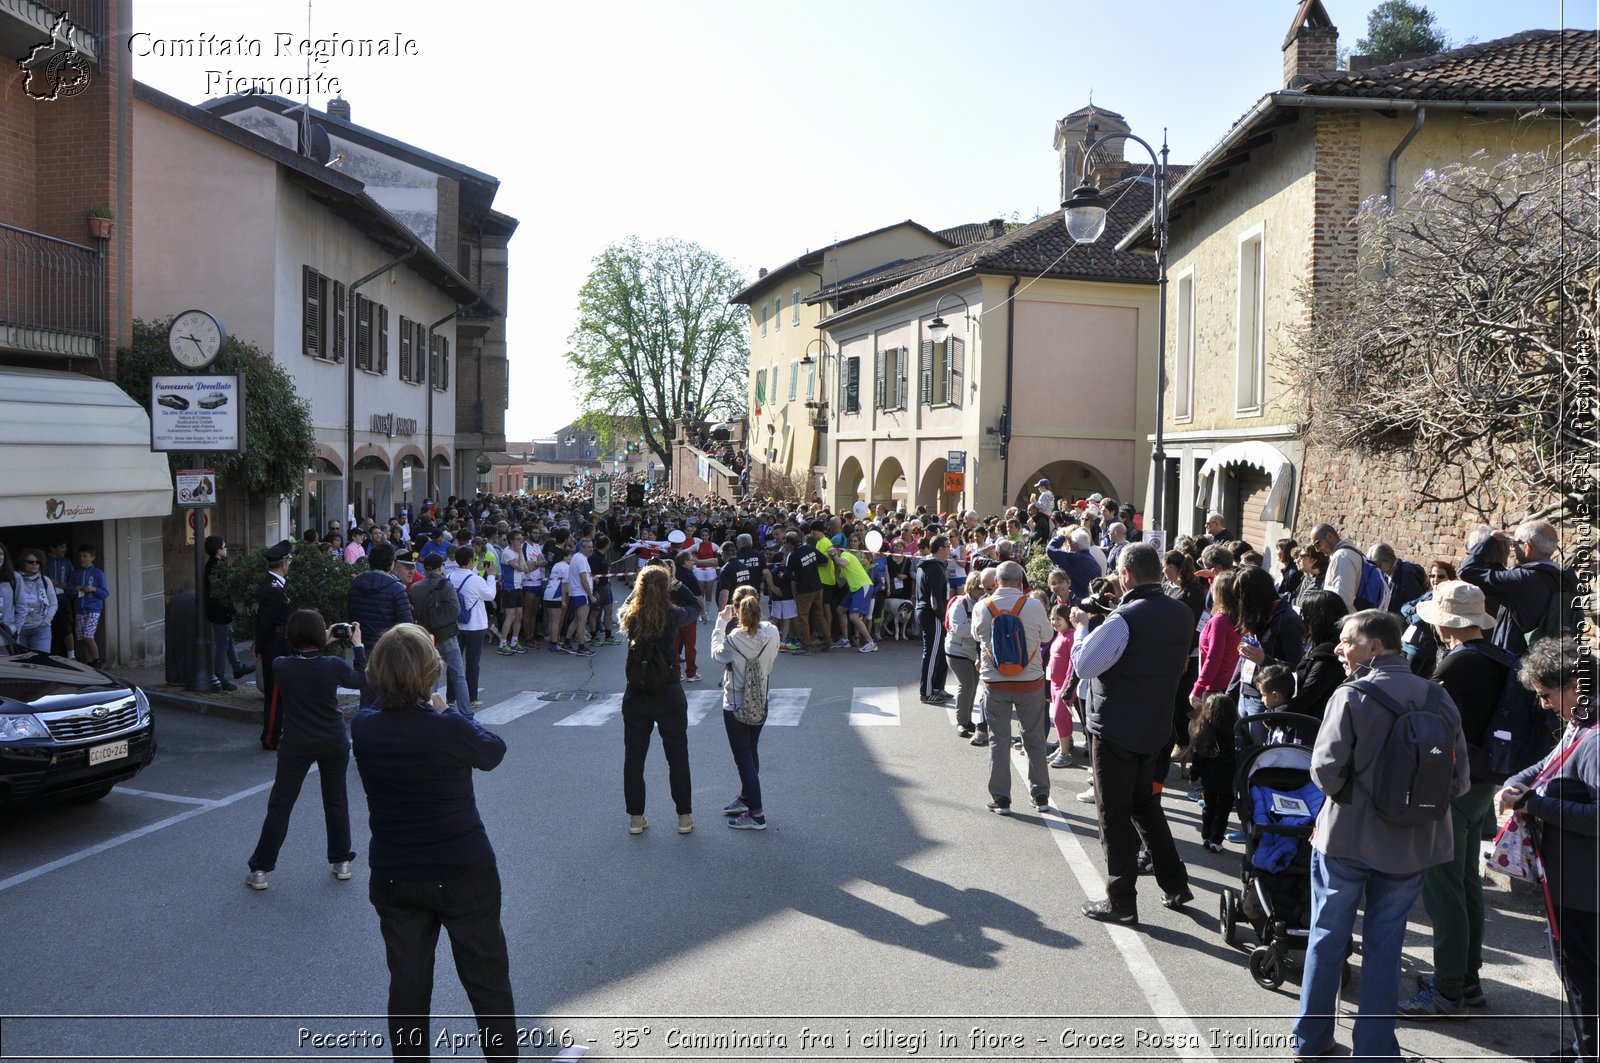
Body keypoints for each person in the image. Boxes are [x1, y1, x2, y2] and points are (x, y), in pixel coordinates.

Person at [1290, 609, 1470, 1063]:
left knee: (1327, 938)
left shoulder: (1350, 695)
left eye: (1347, 640)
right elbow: (1460, 780)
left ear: (1375, 647)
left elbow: (1324, 770)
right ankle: (1374, 1052)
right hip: (1413, 845)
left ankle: (1311, 1043)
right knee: (1386, 949)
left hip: (1349, 837)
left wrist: (1358, 800)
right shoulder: (1439, 698)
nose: (1339, 648)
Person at [350, 624, 516, 1062]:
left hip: (395, 872)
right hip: (463, 867)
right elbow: (493, 752)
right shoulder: (446, 728)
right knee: (487, 981)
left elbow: (374, 706)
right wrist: (449, 712)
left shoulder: (364, 728)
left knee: (407, 985)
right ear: (430, 675)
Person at [1071, 543, 1196, 923]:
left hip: (1117, 729)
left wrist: (1080, 628)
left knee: (1114, 814)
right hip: (1155, 726)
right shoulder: (1182, 612)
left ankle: (1121, 901)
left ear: (1125, 574)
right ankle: (1175, 883)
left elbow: (1085, 666)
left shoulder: (1124, 619)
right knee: (1145, 806)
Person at [1399, 581, 1506, 1019]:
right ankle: (1467, 979)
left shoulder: (1458, 662)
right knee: (1465, 883)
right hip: (1483, 781)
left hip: (1454, 782)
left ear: (1447, 623)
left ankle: (1447, 991)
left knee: (1444, 888)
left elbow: (1424, 720)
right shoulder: (1499, 656)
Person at [1497, 637, 1598, 1063]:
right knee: (1575, 974)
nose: (1543, 705)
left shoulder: (1595, 739)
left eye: (1545, 694)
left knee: (1583, 979)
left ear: (1574, 684)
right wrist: (1515, 782)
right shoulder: (1581, 722)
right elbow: (1547, 764)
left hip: (1585, 889)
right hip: (1570, 881)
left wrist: (1533, 804)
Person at [245, 611, 364, 890]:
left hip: (296, 742)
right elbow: (361, 680)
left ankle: (261, 868)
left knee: (281, 804)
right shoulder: (333, 665)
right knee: (335, 800)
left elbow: (299, 655)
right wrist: (357, 645)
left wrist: (320, 638)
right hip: (332, 739)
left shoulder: (281, 666)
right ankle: (341, 861)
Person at [620, 564, 701, 835]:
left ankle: (635, 818)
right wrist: (676, 583)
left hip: (637, 694)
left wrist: (638, 588)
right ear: (666, 588)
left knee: (634, 759)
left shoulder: (631, 618)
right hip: (668, 692)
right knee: (677, 757)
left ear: (639, 589)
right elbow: (696, 605)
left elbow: (625, 606)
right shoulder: (673, 616)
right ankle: (684, 817)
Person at [970, 560, 1053, 814]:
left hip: (995, 682)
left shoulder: (983, 606)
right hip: (1030, 681)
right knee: (1034, 738)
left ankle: (1001, 798)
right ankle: (1039, 796)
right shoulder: (1034, 605)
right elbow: (1047, 636)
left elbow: (976, 635)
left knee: (998, 739)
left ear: (996, 582)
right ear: (1021, 581)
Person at [710, 593, 780, 831]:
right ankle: (747, 799)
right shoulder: (772, 631)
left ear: (737, 612)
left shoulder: (734, 639)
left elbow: (716, 653)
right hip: (761, 700)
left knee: (743, 758)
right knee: (750, 752)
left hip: (736, 704)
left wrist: (721, 622)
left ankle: (757, 814)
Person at [1459, 519, 1576, 651]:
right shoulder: (1567, 577)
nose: (1512, 548)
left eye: (1515, 544)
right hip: (1550, 654)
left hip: (1517, 660)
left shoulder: (1521, 579)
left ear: (1527, 548)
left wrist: (1491, 538)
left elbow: (1467, 571)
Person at [346, 543, 414, 704]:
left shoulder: (356, 584)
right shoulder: (396, 588)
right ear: (391, 564)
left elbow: (350, 613)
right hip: (388, 648)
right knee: (387, 695)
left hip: (362, 644)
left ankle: (364, 727)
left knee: (367, 693)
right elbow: (407, 625)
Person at [407, 552, 473, 715]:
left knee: (430, 676)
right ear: (439, 567)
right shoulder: (446, 584)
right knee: (458, 675)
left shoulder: (415, 588)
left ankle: (431, 711)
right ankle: (467, 713)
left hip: (426, 635)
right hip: (447, 634)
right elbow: (456, 609)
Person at [254, 541, 295, 750]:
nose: (289, 564)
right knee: (275, 694)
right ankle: (270, 737)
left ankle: (275, 733)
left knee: (280, 694)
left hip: (280, 643)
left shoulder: (276, 585)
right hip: (275, 644)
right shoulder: (273, 589)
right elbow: (266, 622)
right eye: (288, 561)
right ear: (284, 563)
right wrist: (259, 647)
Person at [445, 545, 496, 711]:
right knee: (472, 663)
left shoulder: (450, 576)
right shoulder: (477, 579)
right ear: (470, 560)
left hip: (455, 624)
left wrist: (476, 569)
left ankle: (451, 697)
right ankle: (472, 697)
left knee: (454, 661)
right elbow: (490, 595)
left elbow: (466, 580)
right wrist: (490, 576)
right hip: (475, 625)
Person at [1287, 591, 1349, 721]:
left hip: (1313, 728)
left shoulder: (1328, 657)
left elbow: (1306, 697)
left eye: (1306, 615)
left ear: (1318, 619)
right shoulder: (1322, 647)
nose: (1302, 620)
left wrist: (1273, 714)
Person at [1189, 692, 1238, 853]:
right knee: (1223, 812)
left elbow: (1197, 758)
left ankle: (1206, 836)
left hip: (1209, 780)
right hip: (1229, 781)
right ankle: (1217, 841)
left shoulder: (1204, 733)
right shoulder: (1237, 731)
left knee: (1209, 807)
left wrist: (1194, 775)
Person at [202, 537, 252, 689]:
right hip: (219, 611)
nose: (226, 549)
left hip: (219, 611)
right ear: (218, 550)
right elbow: (221, 593)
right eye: (224, 547)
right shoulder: (215, 567)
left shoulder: (215, 565)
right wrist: (229, 610)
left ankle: (237, 668)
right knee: (223, 643)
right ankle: (220, 677)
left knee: (228, 640)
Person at [944, 570, 987, 743]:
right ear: (970, 587)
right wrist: (978, 625)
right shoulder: (960, 604)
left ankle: (968, 720)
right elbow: (959, 629)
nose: (981, 592)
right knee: (966, 685)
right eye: (978, 588)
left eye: (984, 589)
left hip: (973, 652)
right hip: (957, 651)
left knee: (974, 685)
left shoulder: (983, 603)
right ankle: (961, 722)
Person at [914, 535, 952, 704]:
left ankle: (937, 687)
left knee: (940, 652)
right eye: (948, 547)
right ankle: (927, 692)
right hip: (932, 614)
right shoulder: (935, 568)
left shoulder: (926, 565)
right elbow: (935, 599)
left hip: (926, 612)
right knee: (931, 653)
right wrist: (944, 617)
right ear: (941, 549)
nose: (950, 550)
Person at [64, 544, 108, 668]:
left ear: (92, 558)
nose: (82, 559)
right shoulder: (75, 574)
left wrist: (93, 589)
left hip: (93, 609)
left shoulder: (98, 573)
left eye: (85, 556)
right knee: (82, 638)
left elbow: (105, 593)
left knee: (88, 635)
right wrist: (73, 590)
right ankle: (90, 664)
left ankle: (97, 661)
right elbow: (68, 593)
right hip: (79, 610)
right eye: (80, 556)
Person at [11, 548, 57, 653]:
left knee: (41, 663)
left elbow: (53, 603)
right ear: (22, 563)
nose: (34, 564)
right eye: (30, 562)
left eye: (37, 562)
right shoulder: (14, 579)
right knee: (19, 664)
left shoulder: (45, 580)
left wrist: (46, 621)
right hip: (19, 628)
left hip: (40, 628)